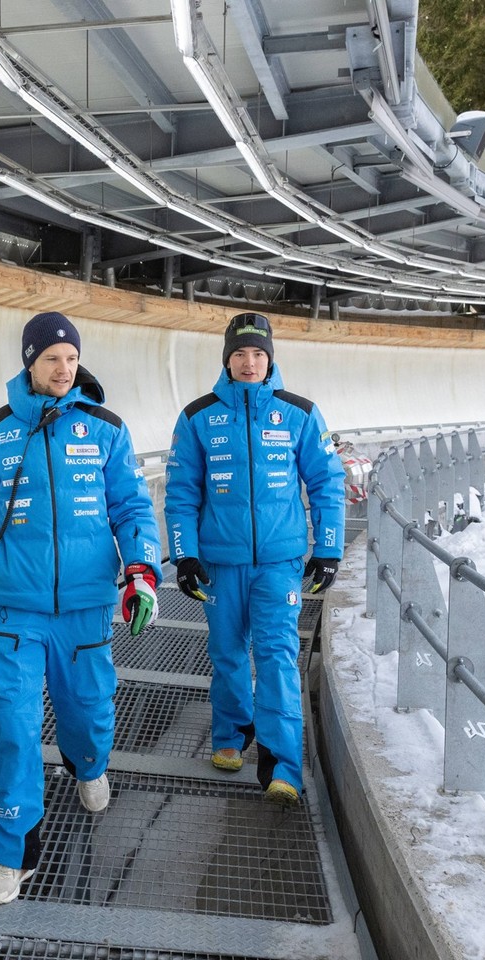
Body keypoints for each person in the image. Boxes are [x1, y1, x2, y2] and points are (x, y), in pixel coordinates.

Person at [0, 310, 161, 904]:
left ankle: (89, 764)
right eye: (52, 358)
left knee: (87, 716)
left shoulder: (106, 430)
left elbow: (132, 511)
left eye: (71, 359)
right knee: (13, 726)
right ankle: (14, 849)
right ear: (29, 363)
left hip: (85, 608)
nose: (64, 369)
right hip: (14, 613)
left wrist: (140, 572)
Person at [163, 312, 345, 806]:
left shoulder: (299, 413)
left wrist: (327, 549)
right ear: (227, 359)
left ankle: (282, 764)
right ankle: (230, 734)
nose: (249, 362)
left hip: (278, 564)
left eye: (258, 353)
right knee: (226, 655)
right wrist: (185, 556)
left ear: (270, 358)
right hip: (220, 563)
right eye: (240, 354)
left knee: (277, 657)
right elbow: (181, 493)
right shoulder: (198, 416)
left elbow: (327, 482)